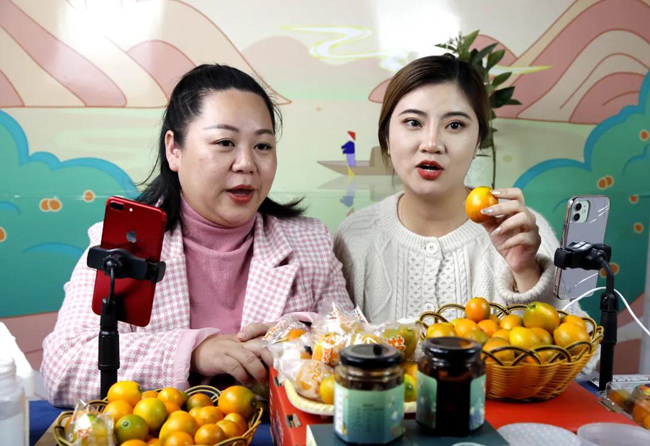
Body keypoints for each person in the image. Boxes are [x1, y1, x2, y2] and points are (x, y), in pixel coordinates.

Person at [42, 64, 353, 407]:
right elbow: (63, 368)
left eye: (263, 146)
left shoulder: (310, 243)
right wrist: (192, 353)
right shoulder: (124, 243)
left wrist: (295, 343)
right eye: (225, 142)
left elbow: (351, 351)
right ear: (174, 150)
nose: (247, 163)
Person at [334, 55, 566, 322]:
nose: (432, 144)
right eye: (413, 122)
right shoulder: (354, 238)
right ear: (386, 137)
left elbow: (578, 345)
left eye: (455, 125)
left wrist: (526, 273)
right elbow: (326, 341)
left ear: (478, 141)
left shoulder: (521, 233)